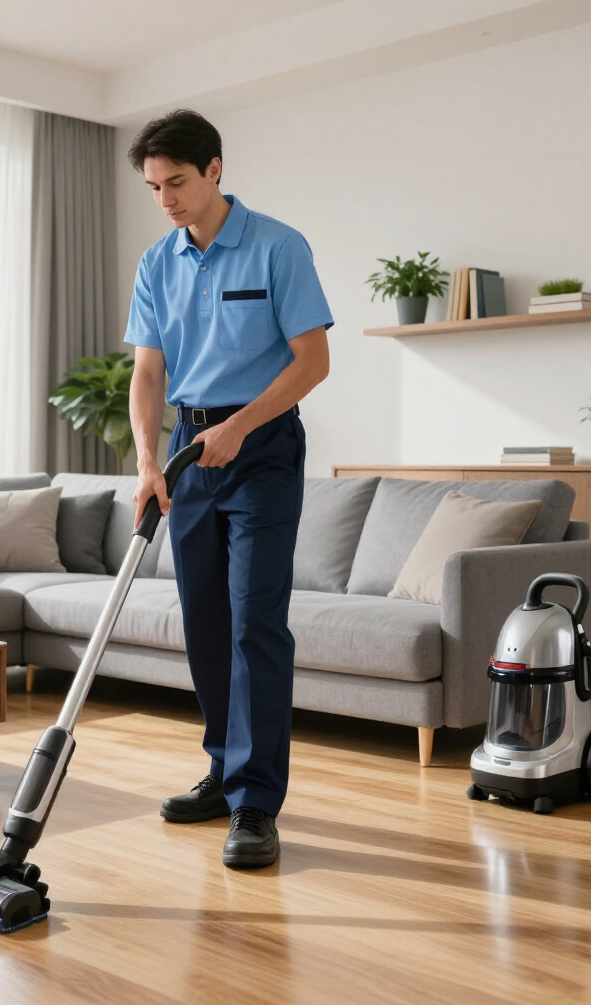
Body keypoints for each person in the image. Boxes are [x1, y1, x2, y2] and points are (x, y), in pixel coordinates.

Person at [125, 109, 333, 868]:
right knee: (206, 620)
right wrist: (150, 461)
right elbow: (148, 373)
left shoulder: (279, 246)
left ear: (215, 169)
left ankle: (254, 803)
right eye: (154, 187)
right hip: (188, 451)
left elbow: (312, 362)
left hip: (263, 448)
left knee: (254, 622)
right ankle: (222, 769)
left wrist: (243, 425)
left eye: (177, 182)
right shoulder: (158, 262)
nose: (167, 199)